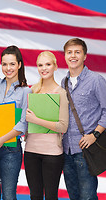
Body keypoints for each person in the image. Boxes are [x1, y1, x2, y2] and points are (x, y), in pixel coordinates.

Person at [61, 38, 106, 200]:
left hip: (86, 150)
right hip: (66, 150)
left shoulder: (96, 80)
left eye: (77, 52)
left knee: (88, 197)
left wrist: (94, 135)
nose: (73, 56)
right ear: (64, 56)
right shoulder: (63, 83)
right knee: (74, 196)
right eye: (69, 52)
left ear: (85, 56)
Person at [0, 45, 31, 200]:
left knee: (9, 196)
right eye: (4, 64)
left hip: (11, 150)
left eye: (12, 64)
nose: (8, 68)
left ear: (19, 65)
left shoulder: (26, 91)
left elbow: (23, 123)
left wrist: (2, 140)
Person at [24, 51, 69, 200]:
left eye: (48, 64)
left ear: (55, 67)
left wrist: (35, 120)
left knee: (51, 196)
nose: (44, 68)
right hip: (31, 151)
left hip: (52, 154)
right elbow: (22, 120)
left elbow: (63, 127)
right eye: (40, 65)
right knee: (35, 196)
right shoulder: (32, 91)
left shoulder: (61, 93)